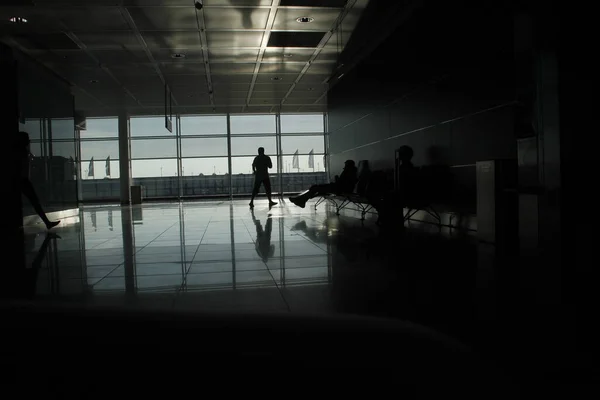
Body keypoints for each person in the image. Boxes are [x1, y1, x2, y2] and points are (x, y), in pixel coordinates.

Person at [18, 131, 60, 230]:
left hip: (23, 180)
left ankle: (47, 222)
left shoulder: (22, 151)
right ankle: (47, 222)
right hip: (22, 180)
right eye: (27, 139)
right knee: (35, 202)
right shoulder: (22, 152)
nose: (29, 141)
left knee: (35, 202)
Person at [289, 159, 358, 208]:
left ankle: (301, 200)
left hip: (339, 188)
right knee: (315, 188)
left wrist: (337, 178)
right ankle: (301, 200)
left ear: (348, 165)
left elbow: (342, 182)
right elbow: (346, 182)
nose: (344, 165)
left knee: (315, 188)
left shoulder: (348, 171)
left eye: (346, 164)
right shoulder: (352, 171)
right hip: (338, 187)